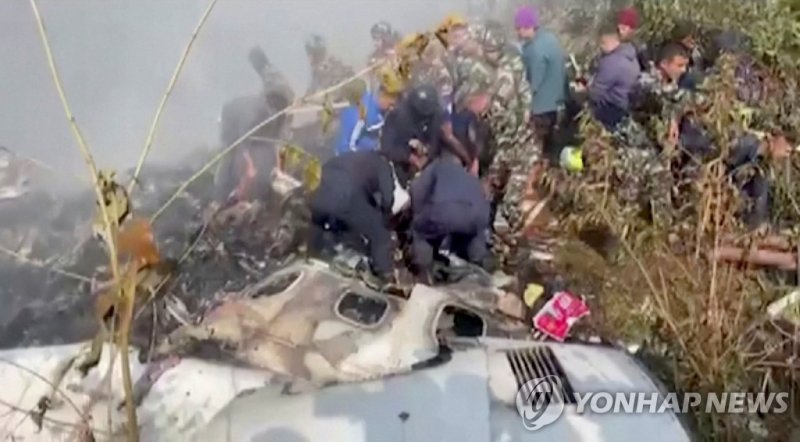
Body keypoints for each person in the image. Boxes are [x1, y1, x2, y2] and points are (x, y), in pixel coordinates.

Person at [308, 150, 396, 283]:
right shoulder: (382, 164)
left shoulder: (349, 156)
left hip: (318, 195)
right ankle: (385, 276)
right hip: (347, 197)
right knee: (379, 233)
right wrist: (385, 217)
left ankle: (312, 255)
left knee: (323, 224)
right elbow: (388, 199)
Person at [409, 151, 491, 283]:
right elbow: (483, 203)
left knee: (420, 231)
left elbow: (417, 189)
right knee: (472, 234)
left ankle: (425, 275)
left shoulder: (438, 166)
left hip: (445, 211)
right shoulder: (470, 177)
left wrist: (419, 213)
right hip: (477, 216)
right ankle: (478, 270)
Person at [380, 84, 472, 186]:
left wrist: (427, 156)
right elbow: (386, 148)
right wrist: (409, 157)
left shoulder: (436, 112)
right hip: (401, 162)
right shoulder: (397, 116)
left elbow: (435, 139)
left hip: (428, 159)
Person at [215, 89, 291, 204]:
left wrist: (279, 170)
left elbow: (275, 142)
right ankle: (224, 195)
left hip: (250, 128)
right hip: (231, 123)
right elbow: (241, 143)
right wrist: (249, 168)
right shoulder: (252, 115)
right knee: (232, 158)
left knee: (259, 159)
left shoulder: (277, 115)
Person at [515, 5, 567, 161]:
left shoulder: (535, 50)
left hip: (540, 108)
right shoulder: (550, 39)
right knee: (551, 147)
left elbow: (533, 83)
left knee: (537, 151)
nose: (517, 33)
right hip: (556, 103)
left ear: (528, 26)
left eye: (519, 28)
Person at [588, 23, 641, 130]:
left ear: (610, 41)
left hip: (611, 109)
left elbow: (596, 93)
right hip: (627, 106)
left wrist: (585, 91)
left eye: (602, 43)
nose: (600, 47)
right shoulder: (631, 55)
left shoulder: (611, 62)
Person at [335, 79, 384, 156]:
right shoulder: (371, 101)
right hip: (359, 152)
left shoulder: (355, 114)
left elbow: (345, 147)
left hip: (364, 151)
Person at [616, 6, 650, 71]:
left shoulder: (639, 48)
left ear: (632, 30)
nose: (620, 32)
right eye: (618, 29)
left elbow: (646, 71)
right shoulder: (612, 45)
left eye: (623, 28)